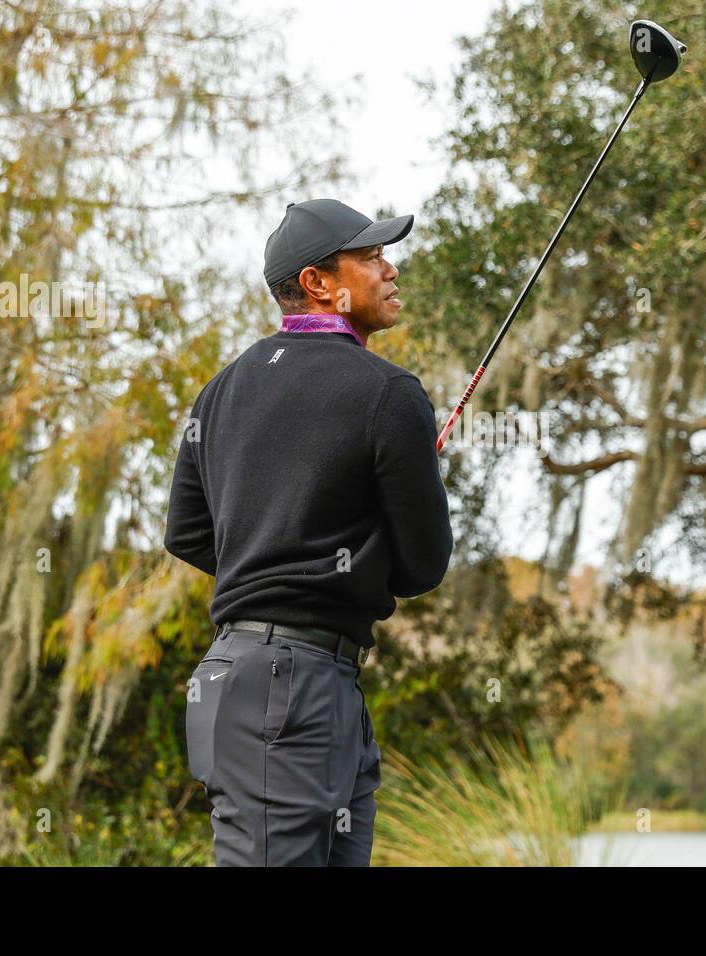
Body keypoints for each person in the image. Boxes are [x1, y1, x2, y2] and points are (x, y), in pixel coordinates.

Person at [164, 198, 454, 866]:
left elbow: (187, 533)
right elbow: (422, 567)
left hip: (249, 681)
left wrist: (289, 563)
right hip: (293, 693)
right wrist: (329, 567)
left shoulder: (220, 389)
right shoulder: (390, 393)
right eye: (372, 257)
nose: (390, 269)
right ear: (320, 284)